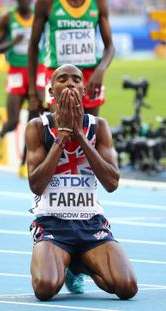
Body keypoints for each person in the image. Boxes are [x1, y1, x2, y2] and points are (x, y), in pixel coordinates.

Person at [25, 64, 138, 301]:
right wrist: (63, 135)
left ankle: (78, 264)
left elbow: (112, 182)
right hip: (52, 223)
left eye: (76, 80)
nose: (70, 83)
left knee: (127, 287)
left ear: (83, 88)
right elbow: (36, 185)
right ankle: (65, 261)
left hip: (91, 223)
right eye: (62, 79)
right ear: (51, 91)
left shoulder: (99, 126)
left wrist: (80, 136)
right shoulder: (38, 127)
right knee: (45, 288)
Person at [28, 0, 115, 117]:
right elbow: (33, 46)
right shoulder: (46, 3)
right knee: (62, 128)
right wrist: (32, 92)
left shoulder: (98, 3)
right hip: (57, 75)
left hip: (90, 77)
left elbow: (110, 47)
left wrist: (100, 71)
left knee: (90, 129)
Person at [0, 0, 46, 178]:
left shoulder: (40, 14)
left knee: (34, 119)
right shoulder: (8, 18)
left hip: (37, 69)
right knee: (13, 121)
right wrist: (12, 43)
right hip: (16, 71)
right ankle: (1, 134)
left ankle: (24, 164)